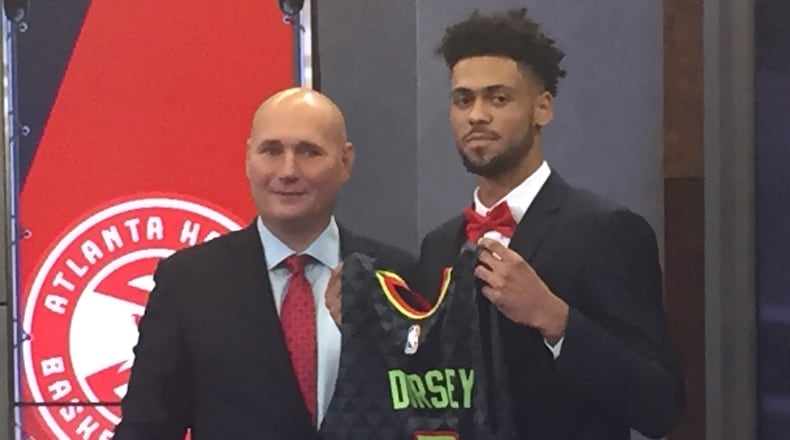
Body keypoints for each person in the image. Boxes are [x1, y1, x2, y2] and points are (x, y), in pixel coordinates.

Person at [416, 8, 684, 440]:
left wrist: (555, 319)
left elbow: (660, 405)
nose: (476, 115)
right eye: (463, 100)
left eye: (497, 99)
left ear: (542, 108)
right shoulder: (439, 246)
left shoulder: (607, 231)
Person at [113, 87, 416, 439]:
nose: (288, 170)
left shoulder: (397, 275)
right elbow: (146, 428)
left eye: (309, 151)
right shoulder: (188, 283)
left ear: (345, 162)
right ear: (248, 159)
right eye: (271, 150)